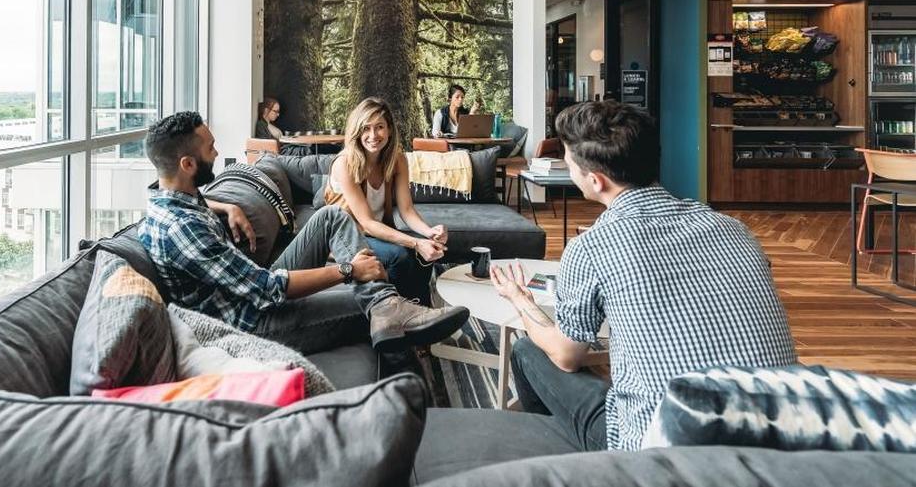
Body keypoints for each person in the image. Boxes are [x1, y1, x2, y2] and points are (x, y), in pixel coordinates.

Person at [490, 100, 796, 452]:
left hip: (663, 458)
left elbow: (565, 354)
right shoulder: (734, 229)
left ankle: (572, 467)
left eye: (569, 162)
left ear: (595, 180)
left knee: (529, 350)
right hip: (779, 448)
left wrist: (519, 299)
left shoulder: (593, 247)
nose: (567, 167)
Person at [140, 111, 469, 356]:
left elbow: (191, 204)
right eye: (210, 148)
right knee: (369, 302)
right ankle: (390, 318)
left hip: (249, 294)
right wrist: (348, 270)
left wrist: (226, 206)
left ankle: (386, 305)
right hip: (253, 322)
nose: (215, 153)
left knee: (332, 215)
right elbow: (269, 289)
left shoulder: (175, 199)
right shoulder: (183, 228)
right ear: (186, 164)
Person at [327, 98, 447, 305]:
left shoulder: (397, 160)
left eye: (379, 127)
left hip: (375, 232)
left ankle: (422, 309)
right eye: (366, 128)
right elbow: (366, 223)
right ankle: (394, 310)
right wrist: (416, 242)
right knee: (399, 255)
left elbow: (407, 210)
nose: (373, 136)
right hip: (347, 237)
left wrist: (429, 232)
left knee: (428, 253)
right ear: (357, 131)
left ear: (389, 129)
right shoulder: (345, 163)